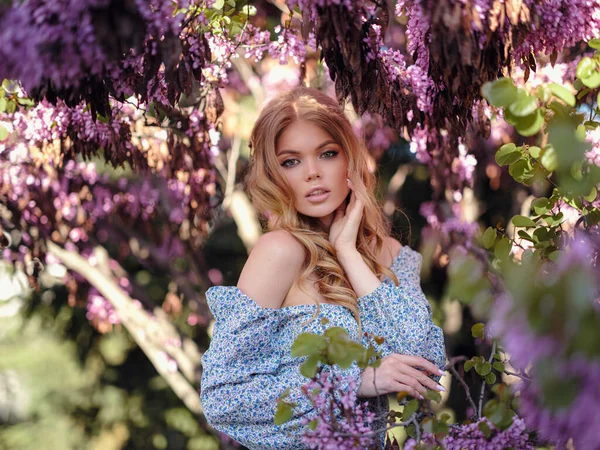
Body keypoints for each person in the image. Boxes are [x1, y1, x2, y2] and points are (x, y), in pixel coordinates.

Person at [200, 87, 446, 449]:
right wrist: (356, 382)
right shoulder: (280, 251)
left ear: (350, 158)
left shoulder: (392, 254)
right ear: (274, 174)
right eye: (291, 161)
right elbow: (224, 397)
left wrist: (348, 252)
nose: (313, 173)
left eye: (327, 154)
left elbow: (424, 360)